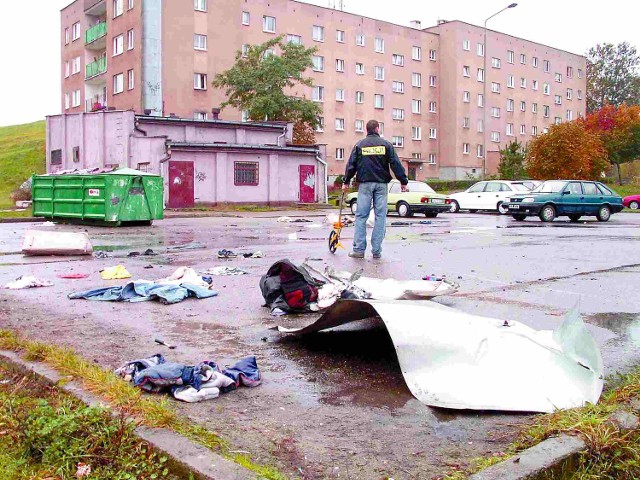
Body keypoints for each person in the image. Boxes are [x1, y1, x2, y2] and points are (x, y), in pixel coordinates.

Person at [342, 119, 408, 259]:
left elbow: (351, 165)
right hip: (381, 184)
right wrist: (403, 181)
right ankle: (376, 250)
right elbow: (395, 164)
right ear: (377, 129)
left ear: (367, 130)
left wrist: (346, 181)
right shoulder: (386, 145)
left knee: (361, 217)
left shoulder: (359, 145)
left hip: (365, 184)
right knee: (380, 217)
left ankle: (359, 250)